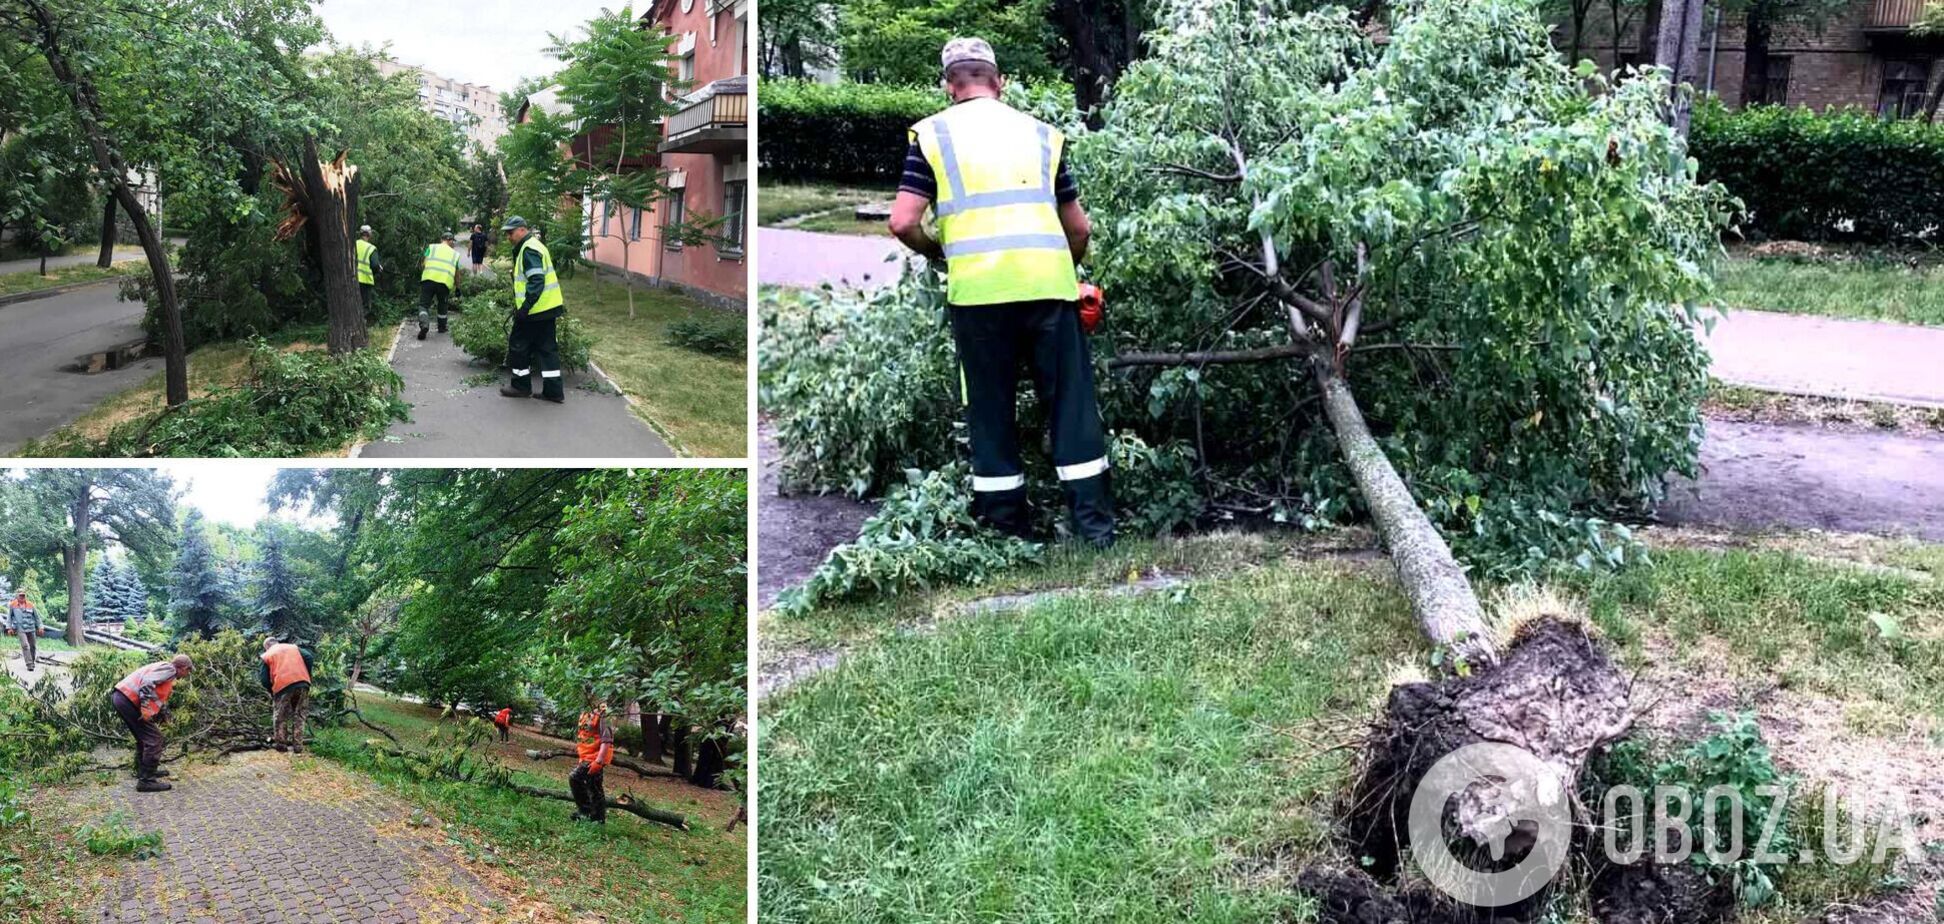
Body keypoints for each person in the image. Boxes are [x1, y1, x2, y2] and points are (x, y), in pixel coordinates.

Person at [888, 37, 1115, 548]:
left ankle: (1007, 532)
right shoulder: (1042, 136)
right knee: (1071, 407)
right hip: (1050, 291)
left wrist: (938, 254)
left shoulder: (932, 135)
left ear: (951, 85)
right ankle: (1095, 531)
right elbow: (1079, 230)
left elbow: (903, 222)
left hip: (979, 297)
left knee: (991, 411)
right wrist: (1066, 269)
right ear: (1000, 81)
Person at [497, 216, 566, 404]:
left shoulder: (528, 250)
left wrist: (525, 308)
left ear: (521, 229)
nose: (508, 237)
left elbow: (537, 280)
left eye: (510, 233)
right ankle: (553, 392)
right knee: (547, 349)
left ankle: (520, 386)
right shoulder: (536, 246)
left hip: (534, 311)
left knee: (518, 345)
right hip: (548, 308)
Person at [110, 654, 193, 792]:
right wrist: (146, 708)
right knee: (154, 739)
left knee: (144, 739)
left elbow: (156, 695)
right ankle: (146, 781)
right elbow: (147, 684)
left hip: (121, 698)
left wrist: (165, 715)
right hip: (127, 700)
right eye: (188, 671)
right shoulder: (170, 670)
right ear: (183, 668)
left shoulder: (164, 670)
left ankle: (144, 772)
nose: (187, 675)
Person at [259, 638, 314, 754]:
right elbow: (309, 657)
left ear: (267, 646)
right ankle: (298, 747)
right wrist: (306, 675)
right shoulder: (293, 647)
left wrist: (271, 690)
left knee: (280, 717)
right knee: (299, 715)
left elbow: (264, 679)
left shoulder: (268, 654)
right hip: (303, 683)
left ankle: (281, 745)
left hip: (282, 686)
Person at [568, 694, 613, 823]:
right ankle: (597, 818)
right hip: (586, 756)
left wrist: (599, 761)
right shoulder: (586, 711)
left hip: (595, 757)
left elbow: (607, 739)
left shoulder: (604, 713)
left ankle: (586, 812)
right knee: (594, 786)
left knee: (575, 778)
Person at [417, 231, 461, 340]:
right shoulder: (455, 254)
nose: (453, 244)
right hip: (444, 282)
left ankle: (424, 324)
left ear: (441, 239)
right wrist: (458, 288)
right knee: (442, 305)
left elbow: (424, 263)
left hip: (428, 280)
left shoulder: (431, 248)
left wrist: (425, 273)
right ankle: (441, 327)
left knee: (423, 305)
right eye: (452, 242)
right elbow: (457, 274)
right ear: (449, 240)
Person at [355, 225, 383, 323]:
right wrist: (378, 270)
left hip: (352, 279)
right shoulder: (371, 248)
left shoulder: (353, 244)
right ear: (369, 235)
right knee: (365, 306)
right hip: (365, 280)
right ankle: (361, 324)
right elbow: (375, 265)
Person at [7, 591, 40, 672]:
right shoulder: (13, 605)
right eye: (20, 596)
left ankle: (31, 661)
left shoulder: (30, 604)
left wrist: (40, 627)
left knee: (33, 646)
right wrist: (9, 628)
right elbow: (9, 617)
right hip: (20, 628)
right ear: (17, 596)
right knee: (25, 645)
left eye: (23, 596)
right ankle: (29, 665)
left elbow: (37, 617)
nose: (22, 597)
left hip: (31, 628)